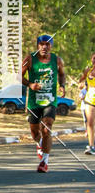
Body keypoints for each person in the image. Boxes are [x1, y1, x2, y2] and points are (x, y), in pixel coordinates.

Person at [21, 34, 66, 173]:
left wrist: (62, 85)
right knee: (35, 132)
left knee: (46, 128)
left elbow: (62, 74)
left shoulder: (57, 60)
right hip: (34, 101)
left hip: (50, 100)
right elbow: (18, 76)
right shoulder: (30, 59)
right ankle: (39, 143)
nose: (44, 47)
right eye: (41, 44)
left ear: (51, 46)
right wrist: (30, 84)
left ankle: (44, 162)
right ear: (38, 45)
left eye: (47, 44)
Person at [78, 54, 95, 155]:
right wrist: (81, 84)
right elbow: (81, 80)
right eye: (93, 58)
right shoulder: (88, 70)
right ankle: (91, 146)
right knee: (90, 122)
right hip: (90, 99)